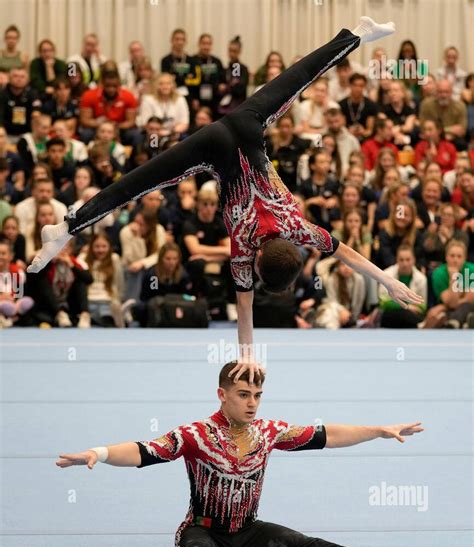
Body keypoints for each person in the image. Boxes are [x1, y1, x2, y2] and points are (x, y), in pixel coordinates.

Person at [29, 18, 424, 376]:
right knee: (137, 183)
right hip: (211, 149)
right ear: (256, 262)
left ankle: (357, 34)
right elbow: (246, 309)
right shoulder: (243, 246)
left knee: (298, 78)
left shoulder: (297, 230)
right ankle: (67, 228)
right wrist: (248, 358)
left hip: (247, 126)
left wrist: (384, 280)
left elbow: (345, 252)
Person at [56, 363, 446, 547]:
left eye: (257, 395)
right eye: (243, 395)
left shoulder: (268, 432)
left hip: (250, 532)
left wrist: (378, 430)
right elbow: (145, 451)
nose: (252, 403)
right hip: (203, 531)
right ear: (221, 395)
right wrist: (100, 452)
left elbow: (327, 434)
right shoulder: (196, 434)